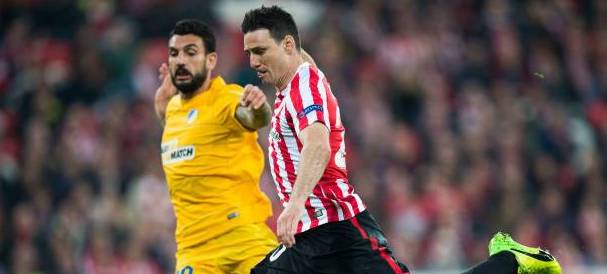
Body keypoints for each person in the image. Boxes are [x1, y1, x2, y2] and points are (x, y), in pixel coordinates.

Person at [240, 6, 562, 274]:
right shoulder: (296, 82)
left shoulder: (304, 88)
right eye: (249, 53)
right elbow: (300, 59)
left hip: (339, 231)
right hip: (308, 239)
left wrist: (294, 205)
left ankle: (511, 261)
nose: (253, 61)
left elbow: (318, 145)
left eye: (260, 51)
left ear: (285, 46)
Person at [154, 19, 277, 274]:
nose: (181, 61)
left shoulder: (226, 98)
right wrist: (162, 102)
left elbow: (254, 117)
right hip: (194, 251)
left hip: (242, 238)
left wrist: (258, 107)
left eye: (191, 53)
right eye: (174, 54)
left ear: (211, 60)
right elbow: (181, 121)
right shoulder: (172, 108)